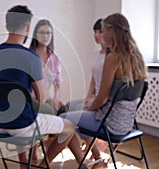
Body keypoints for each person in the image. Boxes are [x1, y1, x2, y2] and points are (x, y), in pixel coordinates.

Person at [0, 5, 76, 169]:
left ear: (7, 25)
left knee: (20, 110)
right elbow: (42, 98)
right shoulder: (30, 57)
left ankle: (23, 165)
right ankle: (42, 165)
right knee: (69, 127)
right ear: (27, 27)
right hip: (22, 125)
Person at [61, 13, 148, 169]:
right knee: (77, 119)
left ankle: (49, 164)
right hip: (127, 124)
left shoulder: (113, 58)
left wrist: (87, 108)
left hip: (109, 123)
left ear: (111, 31)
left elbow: (101, 100)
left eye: (103, 30)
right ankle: (96, 160)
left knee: (64, 118)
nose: (101, 34)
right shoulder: (137, 57)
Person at [66, 18, 108, 160]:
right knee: (68, 106)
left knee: (73, 115)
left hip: (101, 101)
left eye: (100, 32)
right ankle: (94, 150)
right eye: (95, 32)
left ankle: (94, 150)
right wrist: (88, 96)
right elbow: (93, 79)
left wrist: (94, 100)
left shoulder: (111, 57)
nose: (96, 35)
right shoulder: (96, 55)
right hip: (94, 97)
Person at [28, 19, 66, 161]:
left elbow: (58, 82)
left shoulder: (54, 58)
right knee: (48, 111)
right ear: (35, 35)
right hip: (30, 99)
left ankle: (49, 149)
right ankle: (34, 148)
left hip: (47, 99)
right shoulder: (29, 55)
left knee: (65, 112)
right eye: (42, 32)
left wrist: (56, 98)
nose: (45, 36)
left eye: (48, 33)